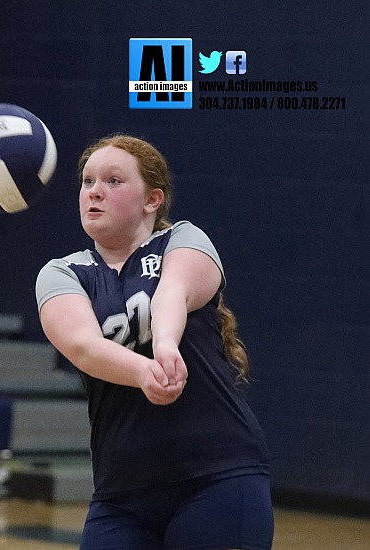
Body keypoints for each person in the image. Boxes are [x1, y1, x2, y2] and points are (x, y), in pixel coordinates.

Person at [35, 134, 274, 550]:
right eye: (88, 180)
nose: (94, 191)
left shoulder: (184, 240)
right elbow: (83, 346)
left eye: (113, 181)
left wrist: (165, 345)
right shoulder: (63, 274)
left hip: (217, 475)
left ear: (152, 199)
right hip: (121, 494)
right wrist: (144, 370)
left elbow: (172, 293)